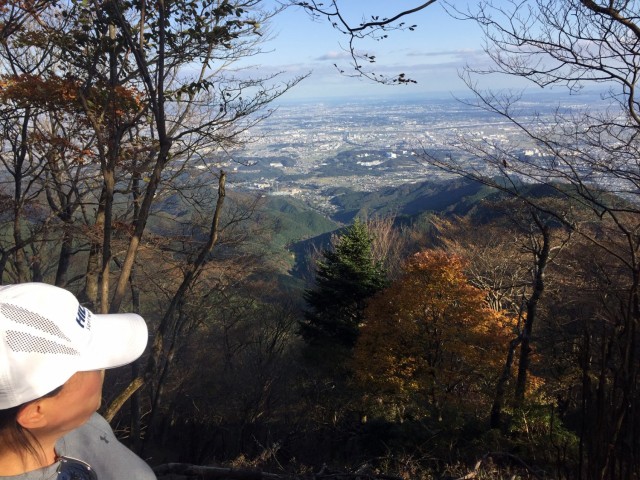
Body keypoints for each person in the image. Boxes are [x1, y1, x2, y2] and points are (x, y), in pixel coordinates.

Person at [0, 282, 157, 479]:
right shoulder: (75, 422)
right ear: (35, 413)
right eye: (90, 365)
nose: (101, 369)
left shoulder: (73, 423)